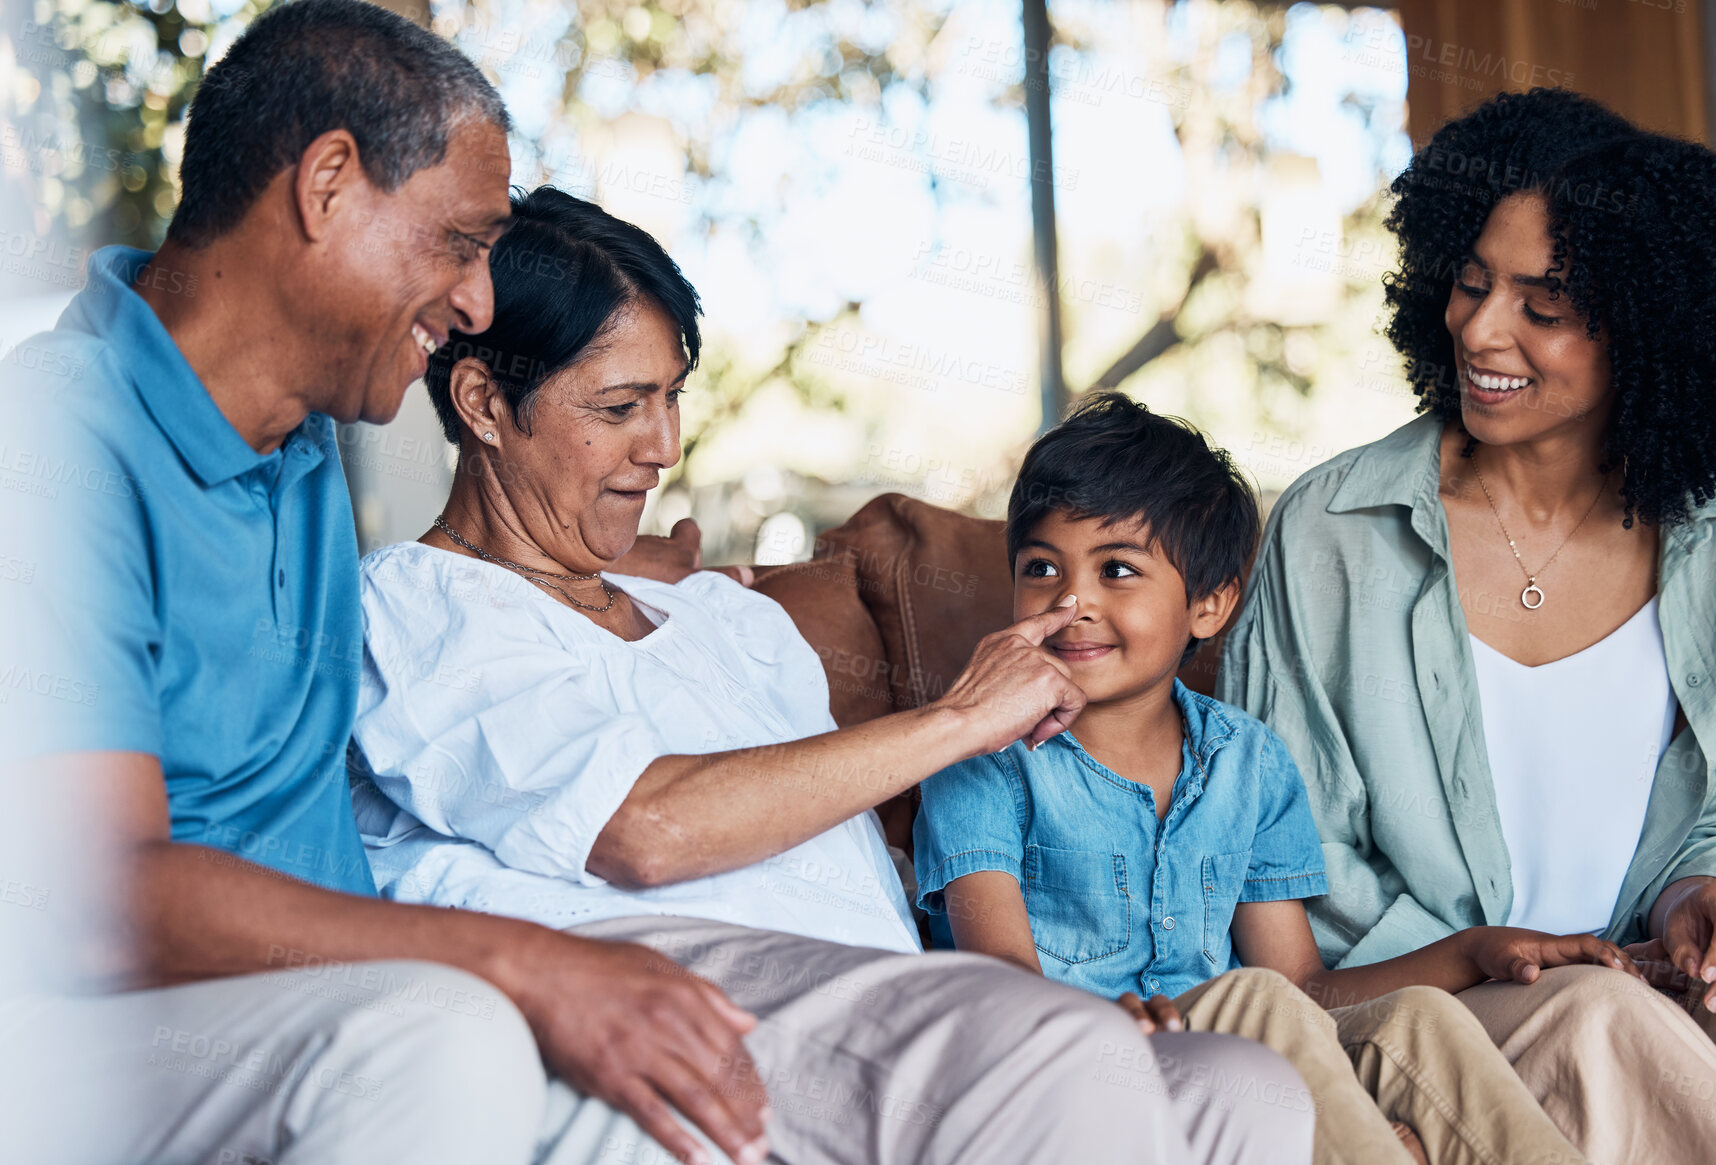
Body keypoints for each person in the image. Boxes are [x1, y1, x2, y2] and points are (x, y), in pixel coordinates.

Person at [0, 3, 1305, 1163]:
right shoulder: (70, 448)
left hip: (456, 984)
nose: (471, 297)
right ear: (328, 184)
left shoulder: (286, 460)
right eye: (458, 245)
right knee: (455, 1032)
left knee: (1244, 1090)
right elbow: (97, 886)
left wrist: (661, 576)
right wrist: (529, 962)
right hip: (210, 1012)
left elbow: (562, 583)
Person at [348, 182, 1313, 1165]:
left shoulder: (726, 617)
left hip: (884, 992)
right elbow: (641, 829)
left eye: (673, 396)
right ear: (482, 403)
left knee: (1245, 1088)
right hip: (691, 984)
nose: (665, 446)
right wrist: (962, 718)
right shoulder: (411, 606)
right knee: (1064, 1051)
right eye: (621, 406)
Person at [912, 393, 1612, 1165]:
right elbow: (1000, 979)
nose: (1072, 602)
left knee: (1416, 1016)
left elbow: (1303, 985)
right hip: (1069, 1058)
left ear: (1209, 606)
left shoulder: (1247, 760)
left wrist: (1471, 948)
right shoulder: (983, 756)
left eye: (1117, 570)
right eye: (1042, 567)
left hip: (1225, 1050)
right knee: (1253, 998)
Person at [1218, 87, 1716, 1163]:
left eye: (1543, 306)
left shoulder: (1704, 541)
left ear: (1646, 326)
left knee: (1617, 1012)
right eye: (1471, 281)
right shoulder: (1331, 533)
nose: (1482, 329)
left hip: (1645, 993)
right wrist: (1495, 958)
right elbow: (1275, 883)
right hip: (1422, 1017)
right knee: (1598, 1019)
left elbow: (1706, 815)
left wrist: (1693, 896)